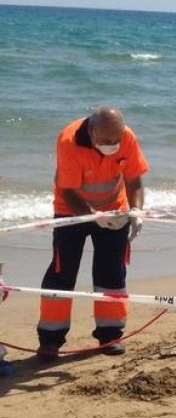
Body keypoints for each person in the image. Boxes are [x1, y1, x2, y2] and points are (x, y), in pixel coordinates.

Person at [36, 106, 150, 359]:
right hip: (71, 209)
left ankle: (110, 336)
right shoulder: (69, 140)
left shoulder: (126, 137)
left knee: (112, 271)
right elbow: (69, 190)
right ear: (92, 130)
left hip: (115, 210)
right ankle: (50, 339)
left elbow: (134, 180)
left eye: (116, 140)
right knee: (62, 271)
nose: (112, 145)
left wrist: (136, 211)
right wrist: (93, 217)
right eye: (106, 140)